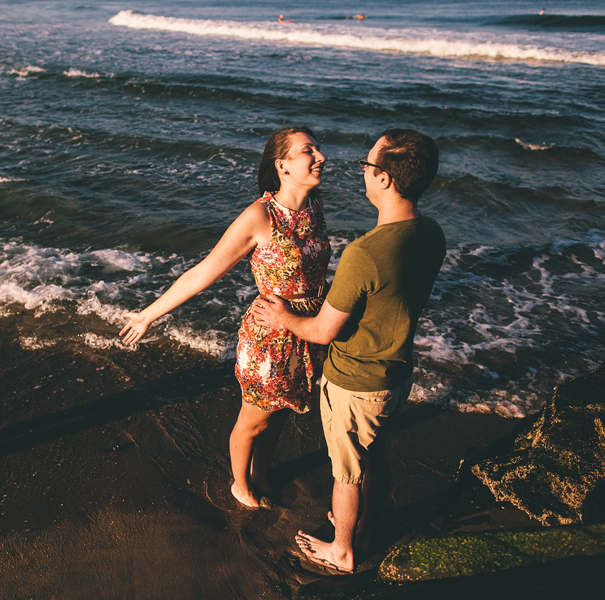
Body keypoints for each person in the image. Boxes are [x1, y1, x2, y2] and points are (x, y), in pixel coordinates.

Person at [254, 129, 445, 572]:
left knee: (347, 473)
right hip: (396, 374)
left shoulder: (365, 254)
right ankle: (364, 526)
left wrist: (282, 318)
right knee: (377, 456)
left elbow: (322, 331)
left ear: (382, 179)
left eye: (366, 165)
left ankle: (342, 550)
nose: (360, 171)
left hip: (355, 382)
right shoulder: (430, 233)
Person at [119, 127, 331, 509]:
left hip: (307, 331)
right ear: (282, 165)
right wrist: (148, 315)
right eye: (308, 151)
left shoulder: (314, 207)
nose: (320, 157)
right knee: (254, 419)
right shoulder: (259, 216)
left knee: (280, 413)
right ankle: (240, 485)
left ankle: (262, 474)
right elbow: (205, 271)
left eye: (318, 149)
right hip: (270, 338)